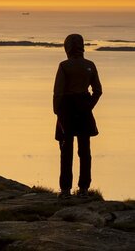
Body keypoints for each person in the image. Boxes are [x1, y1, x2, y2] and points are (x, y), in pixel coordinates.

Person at [53, 34, 102, 199]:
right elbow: (98, 91)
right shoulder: (90, 65)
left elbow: (58, 92)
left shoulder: (64, 66)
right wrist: (89, 106)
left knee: (66, 150)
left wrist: (57, 111)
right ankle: (84, 189)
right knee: (85, 150)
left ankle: (66, 190)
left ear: (67, 48)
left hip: (66, 108)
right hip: (83, 109)